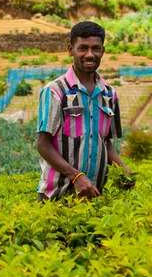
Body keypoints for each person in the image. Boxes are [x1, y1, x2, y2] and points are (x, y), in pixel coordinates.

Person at [36, 21, 131, 201]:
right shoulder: (55, 91)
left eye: (95, 48)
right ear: (71, 49)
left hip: (93, 195)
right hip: (57, 197)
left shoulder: (110, 94)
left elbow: (106, 143)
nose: (90, 54)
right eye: (83, 48)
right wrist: (76, 176)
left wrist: (123, 170)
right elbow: (43, 144)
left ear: (102, 51)